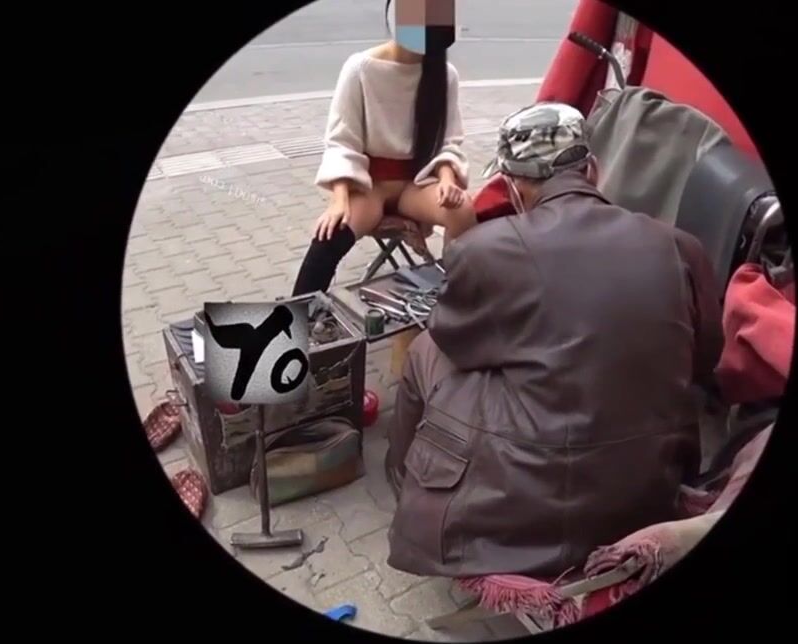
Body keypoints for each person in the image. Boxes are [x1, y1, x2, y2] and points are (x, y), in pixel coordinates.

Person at [385, 102, 724, 579]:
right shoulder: (680, 245)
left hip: (523, 513)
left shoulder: (486, 248)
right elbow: (707, 359)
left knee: (425, 348)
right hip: (651, 489)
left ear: (514, 186)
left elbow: (459, 345)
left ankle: (404, 482)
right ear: (593, 169)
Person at [291, 0, 472, 296]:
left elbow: (448, 140)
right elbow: (341, 141)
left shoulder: (445, 74)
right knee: (330, 235)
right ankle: (295, 317)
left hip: (417, 183)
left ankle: (457, 299)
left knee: (462, 211)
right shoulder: (360, 68)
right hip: (370, 186)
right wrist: (339, 199)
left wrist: (448, 180)